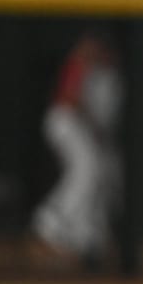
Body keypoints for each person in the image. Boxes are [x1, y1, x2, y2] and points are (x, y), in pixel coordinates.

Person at [31, 30, 124, 268]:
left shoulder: (98, 70)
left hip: (73, 124)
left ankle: (78, 235)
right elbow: (72, 98)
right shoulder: (78, 62)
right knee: (87, 170)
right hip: (65, 121)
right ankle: (50, 221)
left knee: (95, 173)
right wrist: (92, 122)